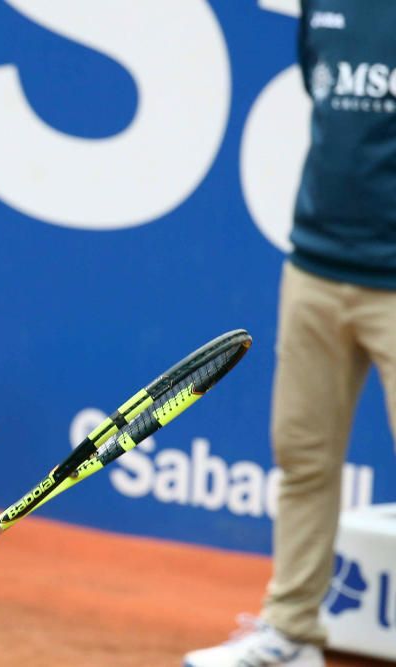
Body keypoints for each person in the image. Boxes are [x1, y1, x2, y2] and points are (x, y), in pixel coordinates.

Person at [185, 2, 396, 666]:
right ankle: (291, 632)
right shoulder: (325, 5)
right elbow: (321, 92)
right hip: (314, 267)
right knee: (302, 455)